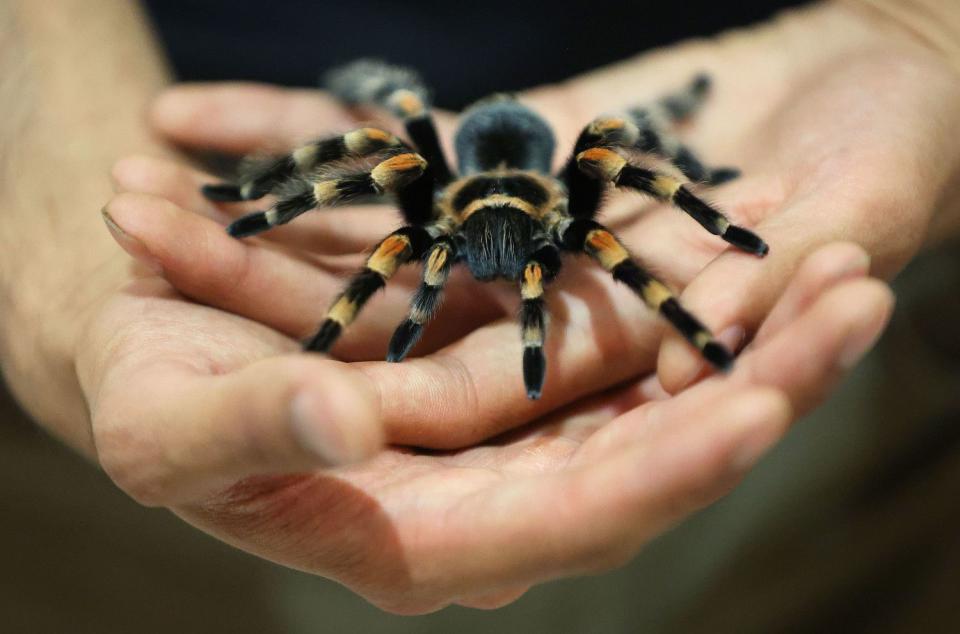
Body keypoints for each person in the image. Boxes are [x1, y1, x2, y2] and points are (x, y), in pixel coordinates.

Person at [0, 0, 957, 614]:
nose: (503, 265)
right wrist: (261, 211)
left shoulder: (571, 210)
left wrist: (924, 27)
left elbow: (627, 168)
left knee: (622, 154)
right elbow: (358, 173)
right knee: (385, 137)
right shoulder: (430, 204)